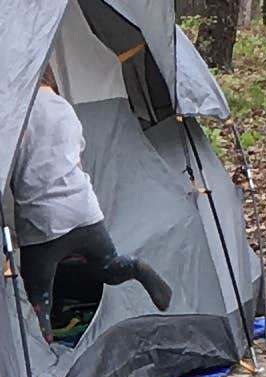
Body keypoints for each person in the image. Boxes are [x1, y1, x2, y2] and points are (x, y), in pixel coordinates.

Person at [10, 56, 169, 340]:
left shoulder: (18, 113)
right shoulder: (66, 110)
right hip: (84, 210)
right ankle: (133, 266)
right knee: (107, 268)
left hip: (44, 221)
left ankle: (45, 360)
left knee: (38, 298)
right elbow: (76, 157)